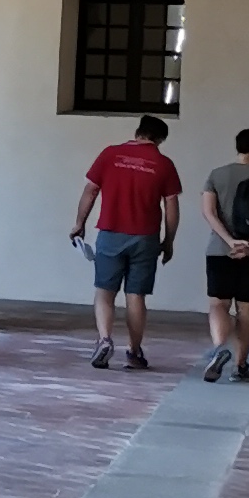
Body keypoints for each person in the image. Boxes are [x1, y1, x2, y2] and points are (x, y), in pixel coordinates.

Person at [72, 109, 183, 369]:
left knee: (104, 291)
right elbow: (171, 206)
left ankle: (104, 339)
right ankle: (133, 352)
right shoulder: (164, 164)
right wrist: (169, 240)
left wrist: (79, 224)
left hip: (111, 233)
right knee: (136, 296)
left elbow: (90, 190)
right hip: (145, 237)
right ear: (159, 140)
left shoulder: (110, 154)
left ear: (137, 133)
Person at [200, 129, 249, 382]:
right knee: (246, 308)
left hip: (220, 251)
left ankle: (219, 348)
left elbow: (209, 213)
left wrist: (230, 241)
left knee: (218, 304)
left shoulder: (216, 175)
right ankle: (240, 366)